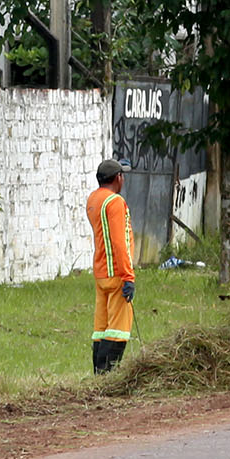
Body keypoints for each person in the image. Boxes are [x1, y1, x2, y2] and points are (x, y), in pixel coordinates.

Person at [85, 158, 136, 375]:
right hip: (116, 273)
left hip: (101, 272)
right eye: (122, 175)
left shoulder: (94, 200)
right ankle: (109, 376)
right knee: (118, 329)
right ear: (118, 178)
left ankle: (98, 375)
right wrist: (128, 276)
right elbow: (119, 242)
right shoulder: (114, 202)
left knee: (101, 328)